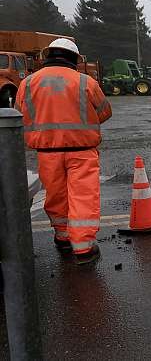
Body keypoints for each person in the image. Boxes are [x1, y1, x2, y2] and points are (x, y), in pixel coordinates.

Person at [15, 38, 112, 265]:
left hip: (47, 151)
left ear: (48, 55)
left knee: (56, 196)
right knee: (83, 196)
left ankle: (62, 236)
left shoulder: (28, 83)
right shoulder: (85, 82)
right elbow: (105, 112)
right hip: (81, 150)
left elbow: (17, 116)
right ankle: (84, 248)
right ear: (74, 59)